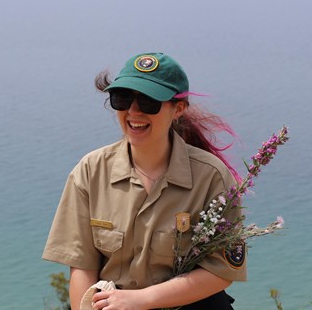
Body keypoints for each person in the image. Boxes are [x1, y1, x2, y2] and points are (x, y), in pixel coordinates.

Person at [43, 53, 246, 310]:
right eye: (123, 99)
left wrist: (139, 300)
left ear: (179, 109)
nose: (133, 112)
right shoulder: (90, 172)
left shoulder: (211, 177)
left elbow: (222, 271)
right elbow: (82, 267)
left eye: (149, 102)